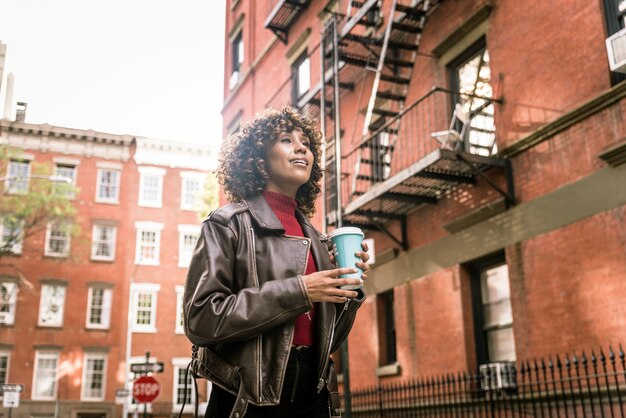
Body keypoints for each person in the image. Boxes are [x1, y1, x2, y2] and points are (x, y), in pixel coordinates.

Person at [183, 106, 370, 418]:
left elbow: (329, 339)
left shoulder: (319, 241)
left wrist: (350, 290)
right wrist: (300, 290)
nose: (301, 147)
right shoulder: (227, 224)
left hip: (314, 397)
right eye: (286, 140)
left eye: (307, 144)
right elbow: (200, 318)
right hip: (247, 399)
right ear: (258, 158)